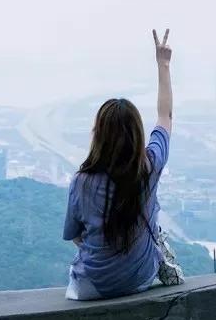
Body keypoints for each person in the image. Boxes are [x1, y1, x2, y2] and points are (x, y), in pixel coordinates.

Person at [63, 28, 183, 300]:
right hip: (139, 278)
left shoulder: (82, 181)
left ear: (99, 135)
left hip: (91, 287)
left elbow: (76, 236)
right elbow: (166, 116)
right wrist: (163, 65)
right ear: (137, 133)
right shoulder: (149, 167)